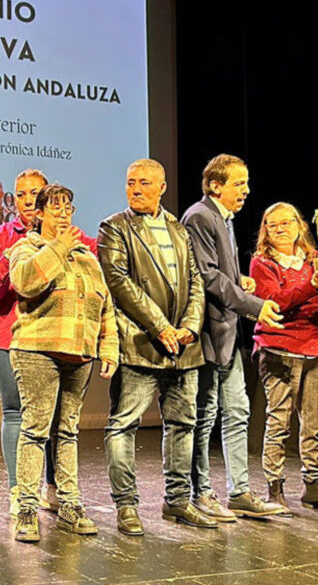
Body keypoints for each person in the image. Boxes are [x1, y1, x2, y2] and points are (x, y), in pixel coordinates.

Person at [98, 159, 214, 536]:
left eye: (144, 183)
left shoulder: (179, 229)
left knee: (182, 424)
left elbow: (195, 281)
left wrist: (190, 327)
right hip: (139, 342)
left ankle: (177, 501)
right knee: (123, 424)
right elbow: (119, 282)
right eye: (131, 182)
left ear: (162, 187)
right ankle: (126, 505)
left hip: (183, 347)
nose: (135, 189)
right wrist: (160, 326)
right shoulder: (115, 227)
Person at [0, 168, 97, 516]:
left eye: (35, 193)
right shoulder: (2, 238)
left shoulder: (77, 239)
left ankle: (55, 488)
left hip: (58, 338)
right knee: (17, 411)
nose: (27, 200)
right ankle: (20, 491)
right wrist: (12, 257)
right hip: (6, 335)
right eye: (21, 194)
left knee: (59, 418)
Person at [7, 184, 119, 543]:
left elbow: (105, 306)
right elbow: (25, 283)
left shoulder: (87, 256)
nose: (63, 213)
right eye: (54, 207)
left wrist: (109, 347)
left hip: (79, 354)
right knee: (35, 430)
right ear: (39, 213)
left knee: (68, 431)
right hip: (37, 350)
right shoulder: (26, 248)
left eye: (68, 207)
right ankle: (27, 508)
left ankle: (70, 503)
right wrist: (57, 246)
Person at [181, 153, 285, 520]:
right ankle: (200, 493)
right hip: (208, 334)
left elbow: (219, 272)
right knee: (204, 414)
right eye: (239, 183)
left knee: (238, 411)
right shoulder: (199, 216)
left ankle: (239, 491)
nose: (246, 190)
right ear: (215, 185)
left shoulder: (222, 218)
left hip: (227, 333)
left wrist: (239, 281)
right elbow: (206, 276)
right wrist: (253, 305)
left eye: (246, 183)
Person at [250, 202, 318, 515]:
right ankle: (274, 488)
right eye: (273, 224)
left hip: (313, 348)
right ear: (265, 231)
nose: (280, 229)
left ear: (299, 225)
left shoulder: (312, 257)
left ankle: (314, 487)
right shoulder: (262, 263)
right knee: (279, 423)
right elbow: (275, 301)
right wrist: (312, 285)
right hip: (279, 350)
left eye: (286, 223)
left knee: (313, 423)